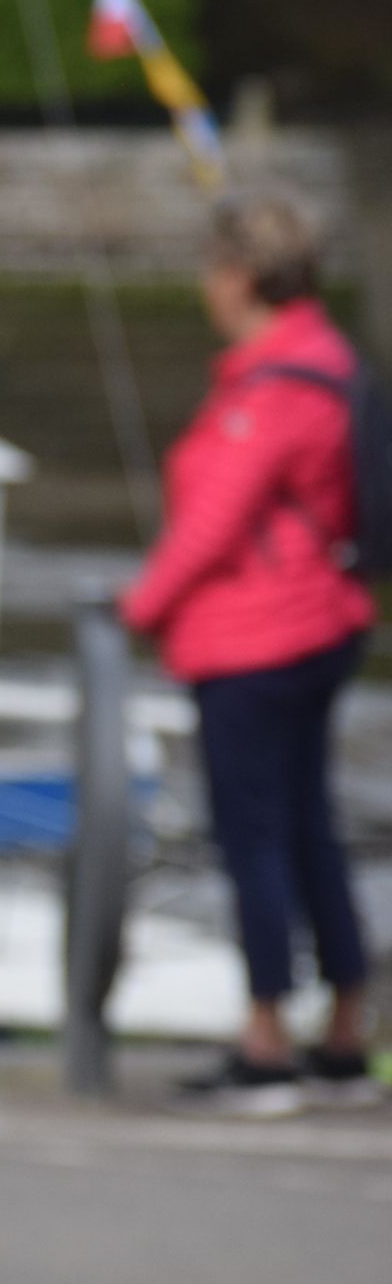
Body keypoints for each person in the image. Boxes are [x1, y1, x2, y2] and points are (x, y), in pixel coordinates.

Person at [121, 190, 380, 1115]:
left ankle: (266, 1041)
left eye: (210, 270)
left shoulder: (271, 389)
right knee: (308, 825)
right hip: (320, 623)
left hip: (258, 638)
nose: (205, 287)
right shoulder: (327, 359)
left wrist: (137, 609)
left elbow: (210, 525)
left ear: (239, 277)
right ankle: (344, 1031)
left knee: (253, 836)